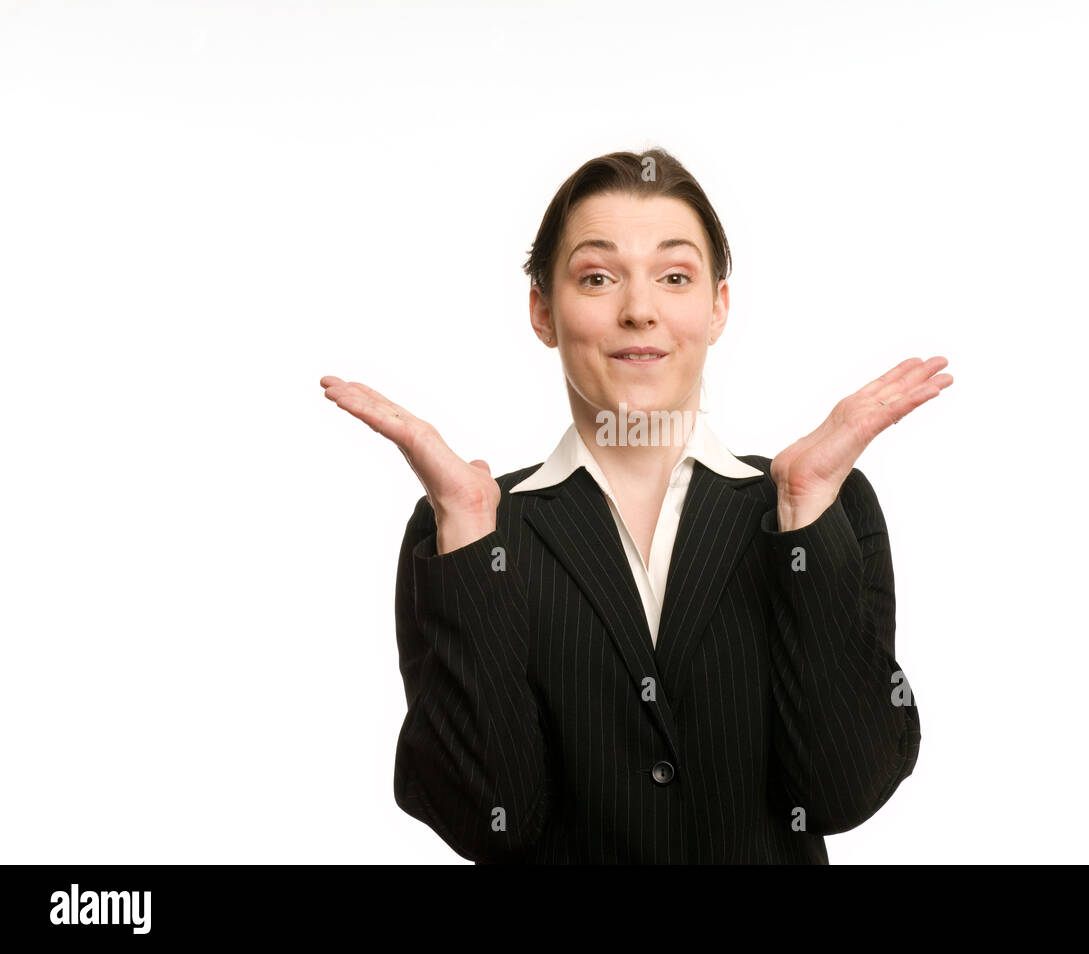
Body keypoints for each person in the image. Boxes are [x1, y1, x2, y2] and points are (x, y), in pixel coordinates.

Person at [320, 147, 953, 863]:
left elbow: (843, 791)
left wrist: (804, 507)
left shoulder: (821, 507)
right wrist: (467, 532)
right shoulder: (465, 529)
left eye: (675, 277)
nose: (640, 311)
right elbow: (490, 818)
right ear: (543, 311)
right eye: (596, 277)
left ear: (716, 306)